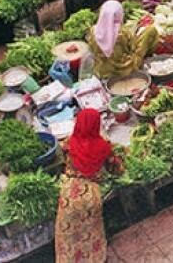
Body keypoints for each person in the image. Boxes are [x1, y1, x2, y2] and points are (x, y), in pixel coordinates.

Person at [55, 109, 115, 263]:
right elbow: (115, 167)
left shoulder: (70, 142)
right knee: (90, 233)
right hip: (90, 195)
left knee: (68, 235)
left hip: (69, 193)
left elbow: (62, 153)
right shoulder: (104, 146)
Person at [87, 0, 157, 79]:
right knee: (150, 31)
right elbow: (132, 48)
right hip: (124, 68)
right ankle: (149, 57)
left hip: (102, 70)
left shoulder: (93, 31)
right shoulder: (122, 33)